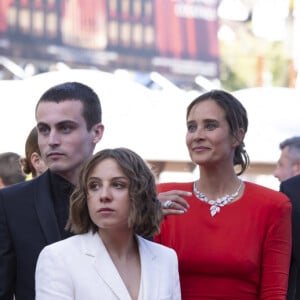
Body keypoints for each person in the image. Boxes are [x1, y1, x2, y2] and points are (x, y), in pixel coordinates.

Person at [154, 89, 292, 299]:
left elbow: (274, 292)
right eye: (192, 127)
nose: (198, 135)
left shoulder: (273, 205)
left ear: (238, 135)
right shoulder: (165, 197)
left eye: (210, 126)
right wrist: (146, 220)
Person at [0, 81, 104, 300]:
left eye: (65, 128)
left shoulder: (128, 200)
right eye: (44, 130)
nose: (52, 141)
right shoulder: (10, 203)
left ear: (96, 132)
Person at [35, 147, 181, 300]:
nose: (104, 195)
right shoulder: (58, 257)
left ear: (140, 193)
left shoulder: (165, 258)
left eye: (118, 185)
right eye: (94, 186)